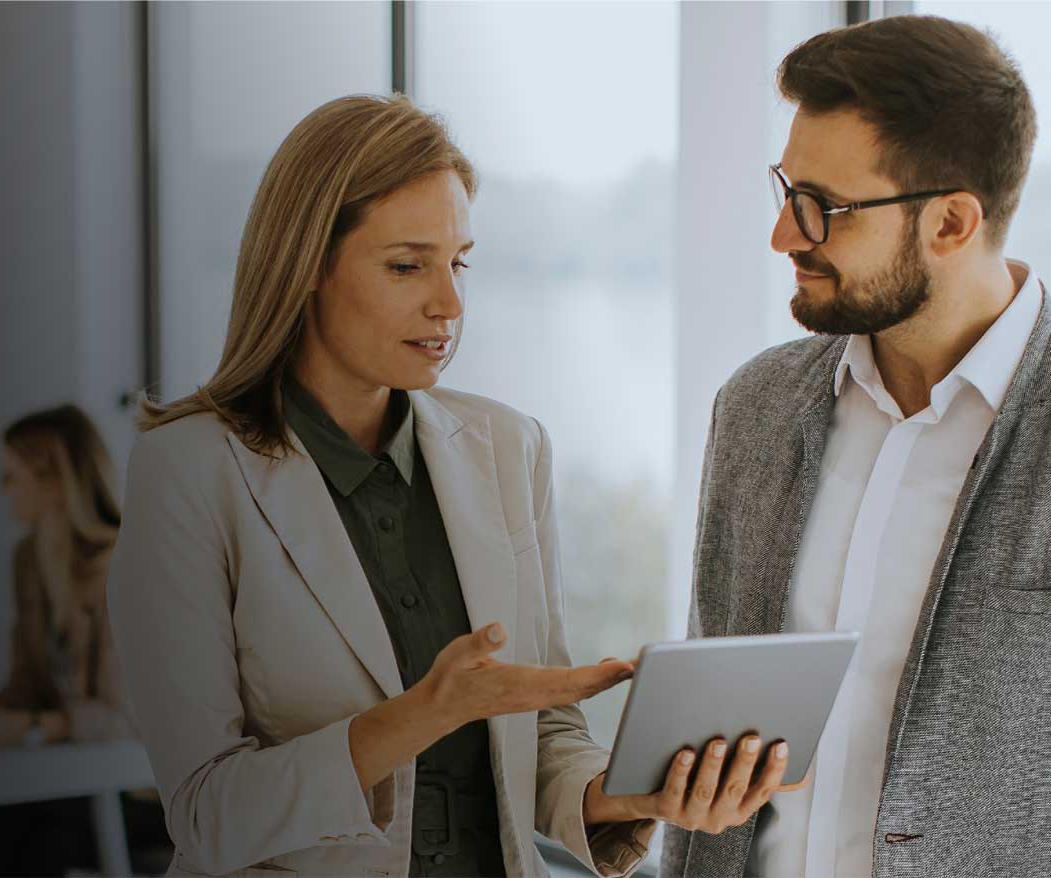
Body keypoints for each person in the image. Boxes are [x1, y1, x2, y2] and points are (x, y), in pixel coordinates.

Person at [108, 94, 779, 878]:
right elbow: (206, 813)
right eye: (406, 265)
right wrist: (425, 714)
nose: (450, 305)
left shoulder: (507, 447)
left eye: (458, 262)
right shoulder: (190, 471)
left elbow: (544, 740)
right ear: (309, 266)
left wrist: (628, 793)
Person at [672, 16, 1051, 878]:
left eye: (825, 210)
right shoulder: (755, 410)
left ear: (953, 223)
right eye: (785, 192)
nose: (785, 236)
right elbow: (706, 757)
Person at [0, 404, 168, 876]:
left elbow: (122, 720)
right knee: (14, 803)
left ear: (52, 478)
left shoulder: (128, 564)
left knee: (41, 818)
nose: (0, 489)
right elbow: (28, 682)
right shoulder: (28, 562)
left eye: (10, 476)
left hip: (147, 793)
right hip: (79, 779)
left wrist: (19, 728)